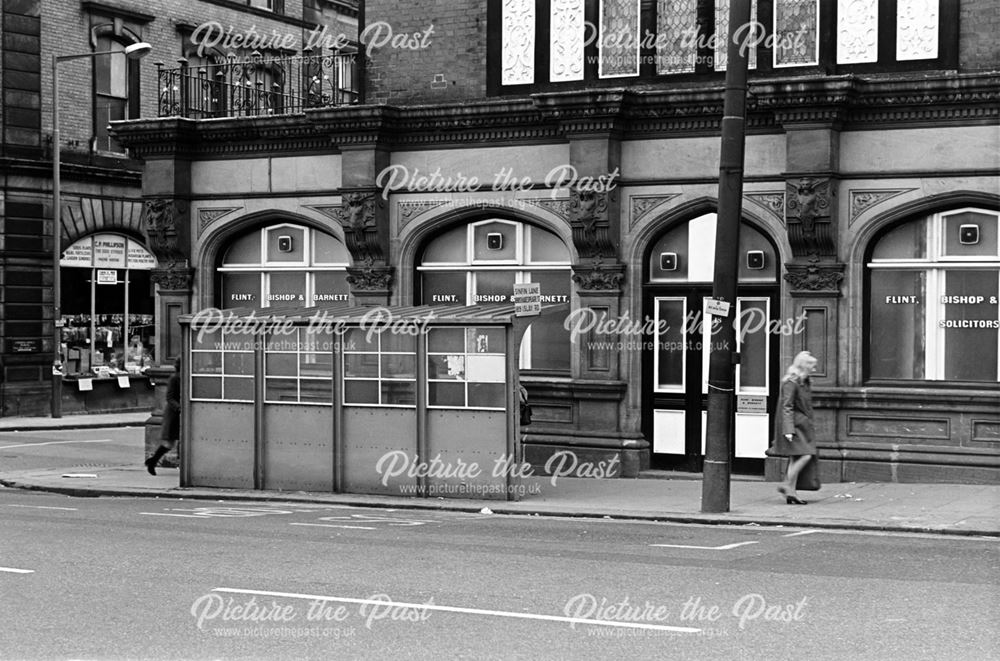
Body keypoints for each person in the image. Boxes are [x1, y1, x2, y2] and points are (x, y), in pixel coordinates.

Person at [770, 350, 818, 504]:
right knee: (806, 454)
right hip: (795, 426)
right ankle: (786, 484)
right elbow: (787, 406)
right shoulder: (792, 382)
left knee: (796, 457)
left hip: (802, 425)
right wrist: (788, 430)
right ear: (804, 366)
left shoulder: (803, 381)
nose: (815, 370)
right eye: (813, 366)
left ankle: (791, 492)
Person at [145, 358, 181, 475]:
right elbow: (170, 397)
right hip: (174, 414)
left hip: (180, 413)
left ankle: (153, 461)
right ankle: (153, 461)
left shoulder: (183, 377)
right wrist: (179, 408)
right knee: (169, 442)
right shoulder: (174, 378)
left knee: (177, 441)